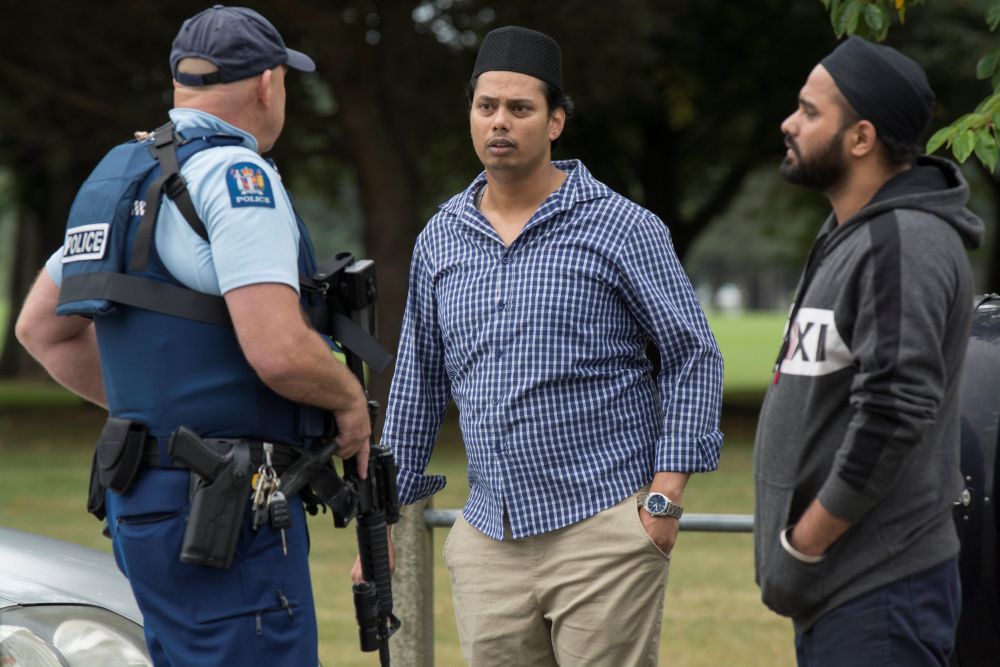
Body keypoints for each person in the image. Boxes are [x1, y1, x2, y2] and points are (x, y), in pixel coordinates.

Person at [15, 6, 372, 665]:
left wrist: (159, 425)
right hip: (230, 509)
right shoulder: (240, 178)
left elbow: (41, 329)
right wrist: (349, 402)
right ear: (269, 83)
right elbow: (278, 350)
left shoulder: (116, 178)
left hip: (140, 501)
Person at [381, 25, 724, 666]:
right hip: (488, 538)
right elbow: (418, 382)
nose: (500, 122)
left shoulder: (623, 228)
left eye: (521, 108)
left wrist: (664, 498)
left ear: (556, 122)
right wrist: (386, 518)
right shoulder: (441, 238)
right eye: (487, 107)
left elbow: (692, 353)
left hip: (604, 529)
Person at [754, 36, 984, 666]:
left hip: (879, 591)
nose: (788, 123)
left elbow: (893, 410)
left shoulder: (903, 240)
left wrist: (805, 544)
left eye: (808, 110)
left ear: (860, 138)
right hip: (843, 592)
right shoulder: (853, 234)